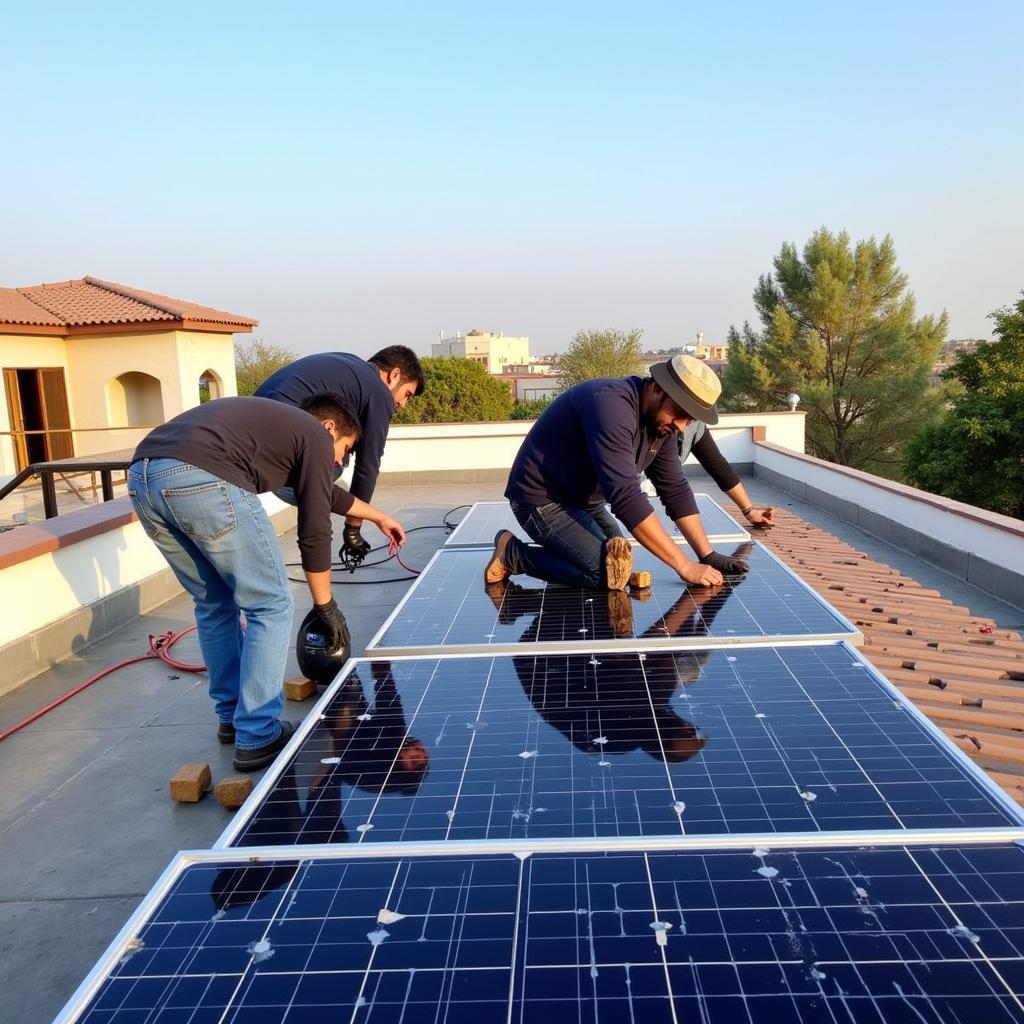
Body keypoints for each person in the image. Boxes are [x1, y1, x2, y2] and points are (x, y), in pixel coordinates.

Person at [127, 393, 405, 772]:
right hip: (202, 476)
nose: (340, 460)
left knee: (214, 605)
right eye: (345, 449)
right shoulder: (313, 436)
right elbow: (314, 531)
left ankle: (231, 717)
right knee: (271, 604)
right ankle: (257, 733)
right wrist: (326, 606)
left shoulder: (279, 430)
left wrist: (377, 515)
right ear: (329, 428)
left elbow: (325, 497)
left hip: (143, 477)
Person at [487, 354, 746, 591]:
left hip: (585, 503)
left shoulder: (661, 426)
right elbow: (626, 497)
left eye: (688, 419)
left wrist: (706, 555)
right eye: (679, 413)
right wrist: (684, 566)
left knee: (619, 561)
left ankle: (585, 560)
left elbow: (674, 488)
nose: (680, 425)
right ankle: (513, 554)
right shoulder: (611, 405)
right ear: (657, 388)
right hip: (541, 501)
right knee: (605, 574)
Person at [255, 346, 425, 564]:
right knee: (334, 465)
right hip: (280, 439)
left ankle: (315, 518)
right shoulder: (379, 392)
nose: (402, 404)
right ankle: (316, 551)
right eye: (407, 394)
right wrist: (353, 528)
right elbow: (368, 466)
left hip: (255, 432)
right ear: (394, 375)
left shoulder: (351, 364)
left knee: (332, 466)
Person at [673, 418, 773, 529]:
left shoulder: (696, 425)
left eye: (692, 418)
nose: (682, 427)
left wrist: (749, 511)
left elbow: (716, 465)